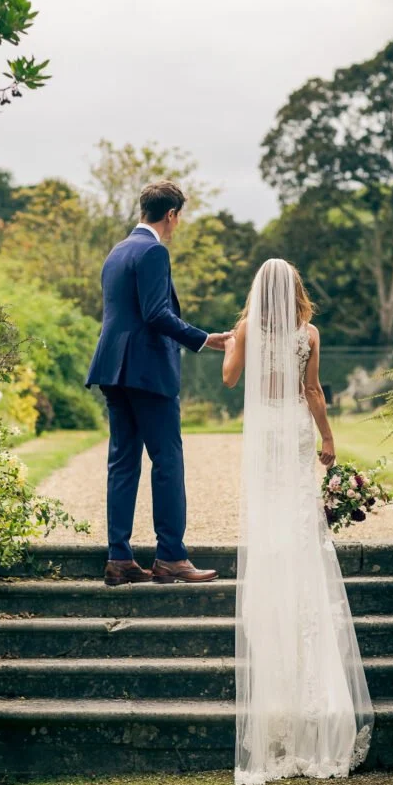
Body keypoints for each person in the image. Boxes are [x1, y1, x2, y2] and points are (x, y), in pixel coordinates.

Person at [222, 258, 373, 785]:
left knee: (269, 530)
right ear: (296, 291)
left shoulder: (243, 330)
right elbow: (312, 391)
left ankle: (277, 711)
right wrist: (328, 437)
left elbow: (229, 376)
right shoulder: (309, 332)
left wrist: (233, 341)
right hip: (295, 431)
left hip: (265, 437)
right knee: (302, 529)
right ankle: (319, 710)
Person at [86, 180, 231, 586]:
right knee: (167, 460)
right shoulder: (153, 251)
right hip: (147, 372)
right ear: (171, 214)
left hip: (113, 370)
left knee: (122, 462)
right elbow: (155, 314)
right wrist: (204, 338)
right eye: (179, 216)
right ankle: (170, 557)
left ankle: (120, 558)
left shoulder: (117, 252)